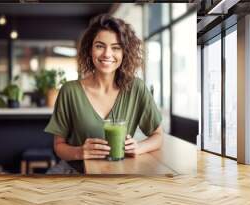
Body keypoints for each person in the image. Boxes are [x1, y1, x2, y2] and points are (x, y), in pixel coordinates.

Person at [44, 14, 163, 174]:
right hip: (74, 174)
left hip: (119, 175)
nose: (107, 54)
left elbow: (158, 136)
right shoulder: (70, 90)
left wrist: (138, 147)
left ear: (125, 52)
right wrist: (80, 152)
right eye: (100, 46)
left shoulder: (136, 88)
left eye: (116, 47)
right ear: (89, 49)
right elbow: (59, 146)